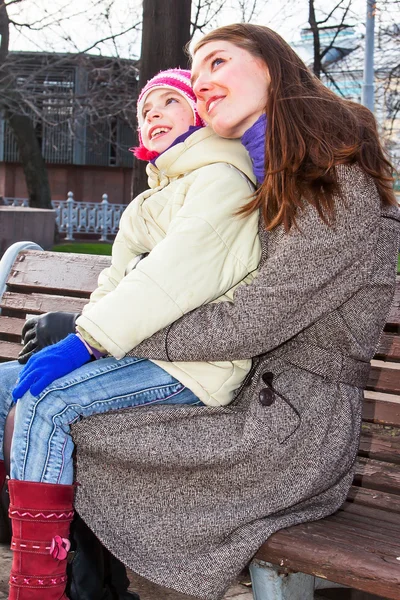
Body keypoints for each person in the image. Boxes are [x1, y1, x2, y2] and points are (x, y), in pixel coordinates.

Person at [66, 23, 399, 600]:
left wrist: (115, 335)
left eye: (218, 63)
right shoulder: (261, 179)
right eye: (197, 78)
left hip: (293, 434)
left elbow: (249, 321)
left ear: (271, 66)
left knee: (66, 418)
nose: (204, 83)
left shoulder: (336, 188)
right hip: (246, 399)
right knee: (54, 413)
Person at [0, 67, 261, 599]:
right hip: (135, 354)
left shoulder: (222, 182)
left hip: (192, 368)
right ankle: (50, 550)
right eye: (146, 111)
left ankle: (39, 585)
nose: (154, 115)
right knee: (6, 383)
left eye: (170, 102)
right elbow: (115, 288)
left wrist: (83, 343)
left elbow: (170, 281)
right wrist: (87, 340)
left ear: (203, 113)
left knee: (47, 401)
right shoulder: (147, 203)